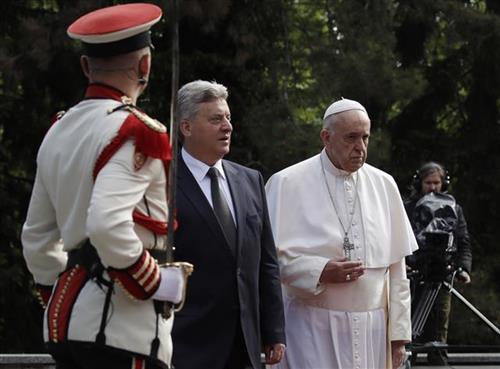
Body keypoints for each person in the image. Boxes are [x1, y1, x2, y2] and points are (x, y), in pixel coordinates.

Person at [21, 4, 190, 368]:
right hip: (120, 331)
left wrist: (65, 297)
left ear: (86, 67)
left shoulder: (58, 130)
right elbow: (106, 224)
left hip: (68, 326)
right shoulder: (137, 130)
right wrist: (154, 282)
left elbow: (36, 239)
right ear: (145, 66)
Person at [265, 98, 418, 369]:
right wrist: (318, 271)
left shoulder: (384, 184)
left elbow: (397, 272)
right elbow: (268, 263)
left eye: (365, 138)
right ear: (326, 137)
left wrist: (399, 337)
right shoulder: (287, 182)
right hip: (310, 327)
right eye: (351, 138)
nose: (360, 148)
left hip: (373, 330)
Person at [171, 80, 286, 369]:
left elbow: (266, 262)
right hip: (186, 345)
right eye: (215, 119)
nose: (227, 127)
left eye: (228, 118)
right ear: (186, 127)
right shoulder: (163, 181)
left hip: (244, 345)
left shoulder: (250, 180)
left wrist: (274, 330)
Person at [405, 162, 472, 365]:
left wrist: (463, 268)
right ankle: (408, 360)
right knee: (408, 331)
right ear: (420, 183)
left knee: (438, 330)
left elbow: (463, 242)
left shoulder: (454, 208)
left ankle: (439, 361)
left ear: (444, 183)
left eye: (436, 183)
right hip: (413, 277)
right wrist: (404, 263)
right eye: (428, 183)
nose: (433, 187)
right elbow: (399, 239)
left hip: (442, 276)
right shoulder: (408, 207)